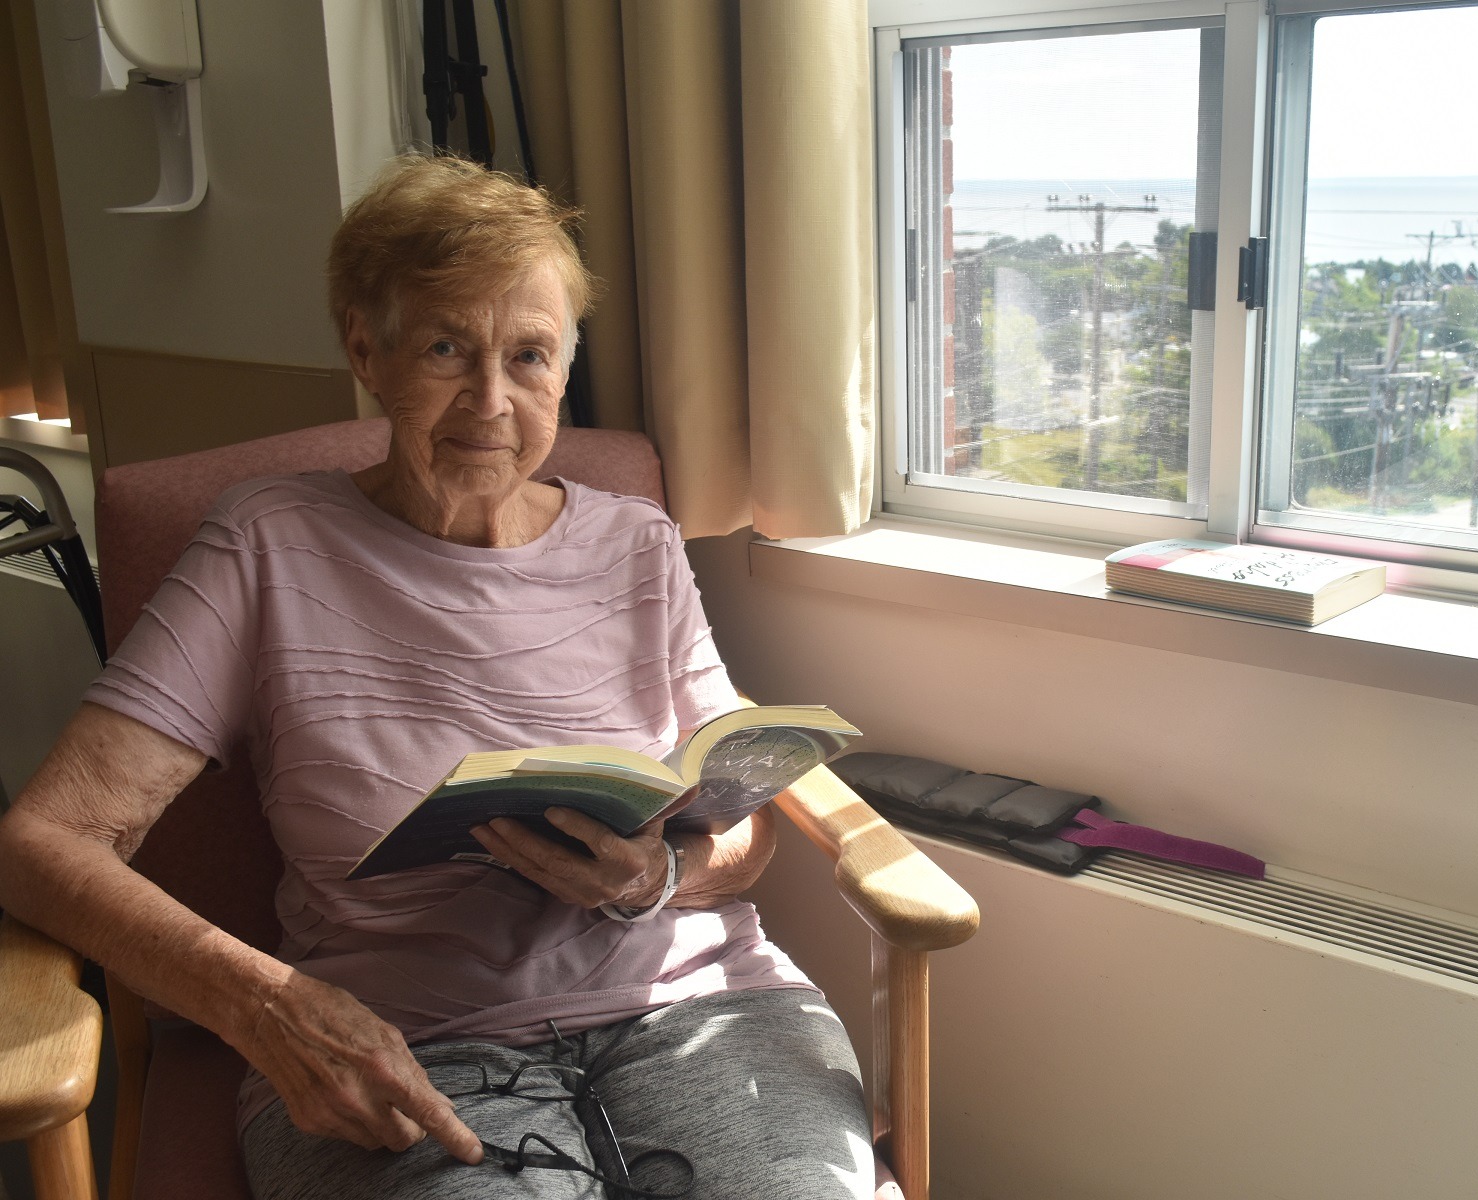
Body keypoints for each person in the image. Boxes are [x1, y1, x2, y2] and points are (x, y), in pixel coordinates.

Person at [0, 156, 876, 1200]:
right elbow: (45, 842)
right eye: (447, 347)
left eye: (530, 356)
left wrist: (659, 879)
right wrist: (267, 1007)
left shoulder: (638, 546)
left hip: (703, 1007)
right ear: (367, 348)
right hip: (401, 1044)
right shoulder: (267, 544)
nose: (492, 402)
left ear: (566, 365)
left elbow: (743, 815)